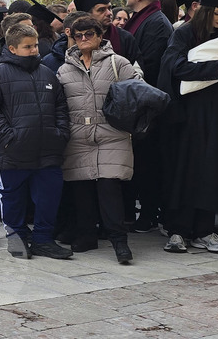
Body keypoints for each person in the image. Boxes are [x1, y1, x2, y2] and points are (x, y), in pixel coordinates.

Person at [157, 0, 218, 255]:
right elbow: (173, 67)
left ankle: (204, 230)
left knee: (213, 170)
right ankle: (178, 230)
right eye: (216, 13)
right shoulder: (185, 33)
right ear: (205, 11)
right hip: (190, 115)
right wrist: (216, 66)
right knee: (186, 169)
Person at [0, 23, 72, 260]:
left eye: (35, 45)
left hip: (48, 149)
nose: (34, 50)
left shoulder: (47, 72)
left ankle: (43, 240)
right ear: (12, 48)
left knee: (49, 197)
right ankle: (17, 238)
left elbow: (61, 105)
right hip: (12, 151)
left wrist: (60, 133)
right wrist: (9, 138)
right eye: (27, 47)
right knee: (12, 197)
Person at [56, 14, 138, 263]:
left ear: (100, 36)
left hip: (112, 134)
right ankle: (87, 235)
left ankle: (119, 242)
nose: (83, 39)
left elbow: (137, 91)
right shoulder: (64, 69)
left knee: (109, 187)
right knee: (82, 189)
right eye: (78, 35)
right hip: (78, 135)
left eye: (89, 34)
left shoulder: (119, 63)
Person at [121, 0, 176, 233]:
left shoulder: (156, 23)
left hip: (147, 105)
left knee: (149, 163)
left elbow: (150, 63)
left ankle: (150, 213)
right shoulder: (144, 19)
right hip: (137, 101)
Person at [73, 0, 140, 65]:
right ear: (88, 15)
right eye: (101, 10)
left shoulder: (125, 38)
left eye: (109, 8)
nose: (109, 13)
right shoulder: (76, 39)